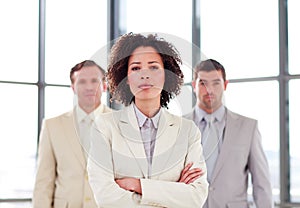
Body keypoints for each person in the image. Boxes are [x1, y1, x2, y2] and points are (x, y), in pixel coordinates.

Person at [87, 33, 208, 208]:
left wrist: (138, 186)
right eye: (136, 68)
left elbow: (196, 197)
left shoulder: (188, 131)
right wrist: (173, 192)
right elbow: (106, 197)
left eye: (153, 67)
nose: (145, 75)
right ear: (126, 78)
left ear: (166, 75)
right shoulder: (105, 127)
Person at [184, 59, 273, 208]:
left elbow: (261, 183)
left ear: (225, 85)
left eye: (216, 83)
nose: (209, 90)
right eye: (203, 83)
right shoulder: (178, 126)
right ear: (194, 86)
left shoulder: (248, 127)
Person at [32, 60, 111, 208]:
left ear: (105, 85)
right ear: (73, 87)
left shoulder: (121, 124)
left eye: (94, 81)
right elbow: (44, 182)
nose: (89, 87)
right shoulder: (52, 126)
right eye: (81, 81)